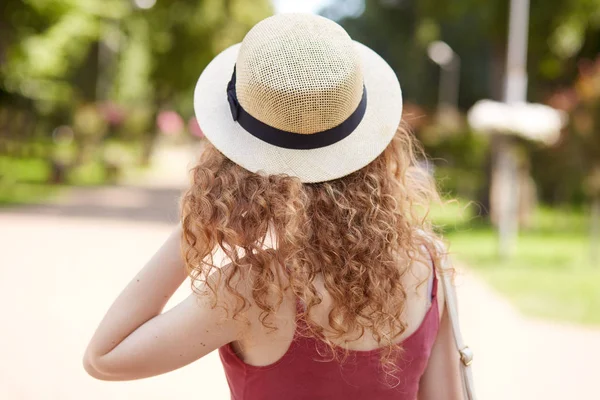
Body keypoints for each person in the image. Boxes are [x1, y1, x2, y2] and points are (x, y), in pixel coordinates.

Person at [83, 14, 464, 399]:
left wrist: (198, 228)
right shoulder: (425, 267)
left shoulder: (253, 289)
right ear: (374, 150)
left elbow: (104, 357)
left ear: (236, 162)